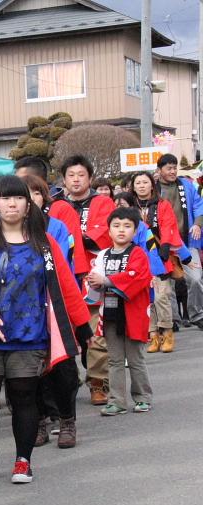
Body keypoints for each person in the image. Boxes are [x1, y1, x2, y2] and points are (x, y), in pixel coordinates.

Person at [0, 176, 88, 484]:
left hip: (30, 334)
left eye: (18, 198)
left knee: (24, 397)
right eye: (4, 198)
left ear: (28, 203)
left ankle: (23, 459)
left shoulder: (44, 242)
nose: (12, 204)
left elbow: (65, 286)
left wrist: (82, 326)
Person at [19, 173, 82, 449]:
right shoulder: (1, 233)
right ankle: (40, 421)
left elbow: (66, 271)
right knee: (29, 373)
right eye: (22, 194)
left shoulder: (54, 229)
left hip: (54, 307)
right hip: (21, 313)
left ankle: (67, 420)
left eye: (34, 193)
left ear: (43, 197)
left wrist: (79, 317)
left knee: (63, 369)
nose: (28, 200)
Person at [53, 155, 115, 406]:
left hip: (91, 273)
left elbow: (105, 233)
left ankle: (98, 382)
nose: (76, 179)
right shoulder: (56, 205)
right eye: (71, 175)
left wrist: (77, 237)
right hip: (63, 274)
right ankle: (68, 381)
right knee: (66, 332)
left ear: (90, 177)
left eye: (81, 175)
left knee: (95, 333)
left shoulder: (103, 202)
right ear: (64, 179)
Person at [87, 208, 154, 415]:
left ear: (135, 231)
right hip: (110, 313)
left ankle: (142, 397)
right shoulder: (103, 255)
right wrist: (94, 283)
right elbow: (94, 279)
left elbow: (138, 277)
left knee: (135, 359)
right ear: (109, 230)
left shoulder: (138, 253)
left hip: (133, 313)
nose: (121, 230)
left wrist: (106, 281)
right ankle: (117, 400)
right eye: (116, 226)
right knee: (114, 359)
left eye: (127, 226)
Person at [130, 172, 185, 353]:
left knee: (162, 296)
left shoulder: (162, 205)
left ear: (152, 185)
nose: (142, 186)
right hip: (138, 258)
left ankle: (167, 332)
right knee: (148, 299)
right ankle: (153, 335)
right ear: (133, 186)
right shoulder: (130, 208)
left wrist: (166, 245)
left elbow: (169, 225)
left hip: (159, 255)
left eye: (145, 182)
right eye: (138, 183)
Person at [155, 154, 203, 329]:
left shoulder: (186, 185)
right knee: (169, 283)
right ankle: (172, 319)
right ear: (159, 170)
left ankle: (197, 314)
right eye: (169, 168)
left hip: (187, 241)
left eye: (175, 167)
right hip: (163, 243)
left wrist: (197, 224)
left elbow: (199, 205)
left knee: (196, 279)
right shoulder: (154, 189)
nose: (173, 171)